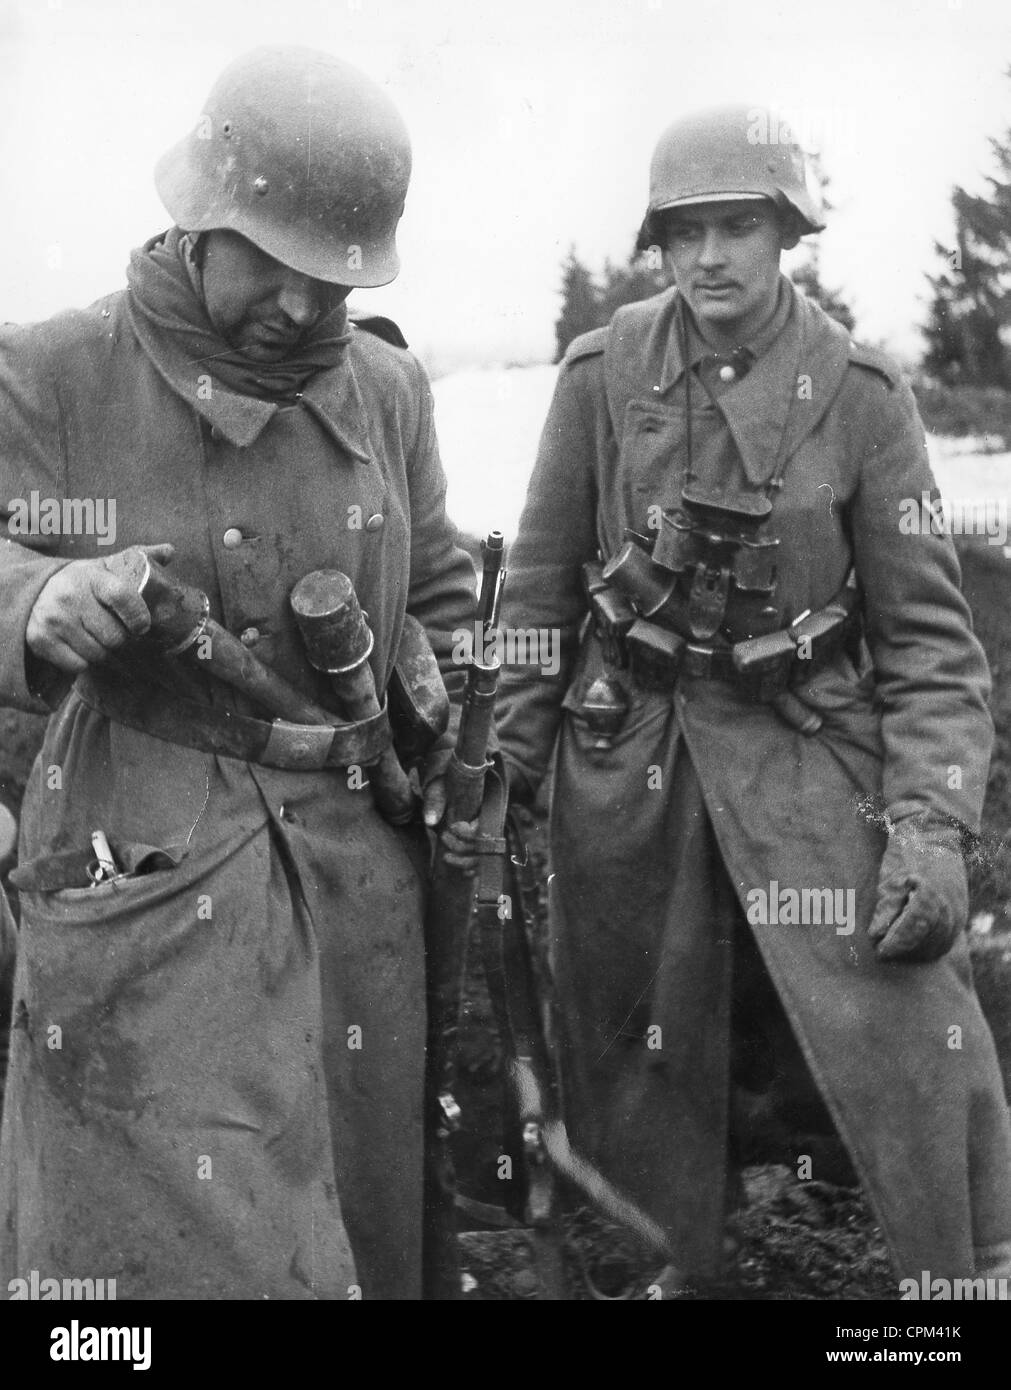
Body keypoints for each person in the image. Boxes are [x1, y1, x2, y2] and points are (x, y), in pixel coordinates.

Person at [495, 104, 1011, 1293]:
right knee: (632, 1046)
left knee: (912, 1021)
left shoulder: (863, 395)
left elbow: (934, 642)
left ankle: (962, 1280)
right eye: (687, 232)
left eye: (738, 226)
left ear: (786, 235)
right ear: (659, 247)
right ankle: (671, 1268)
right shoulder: (601, 376)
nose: (712, 256)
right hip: (633, 759)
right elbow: (532, 592)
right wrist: (506, 763)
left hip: (807, 750)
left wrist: (931, 826)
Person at [0, 46, 476, 1301]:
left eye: (334, 278)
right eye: (271, 262)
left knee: (359, 1209)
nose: (302, 306)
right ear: (197, 214)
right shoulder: (55, 371)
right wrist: (37, 595)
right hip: (143, 861)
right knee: (151, 1249)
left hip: (353, 858)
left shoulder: (385, 387)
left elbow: (436, 584)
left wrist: (439, 664)